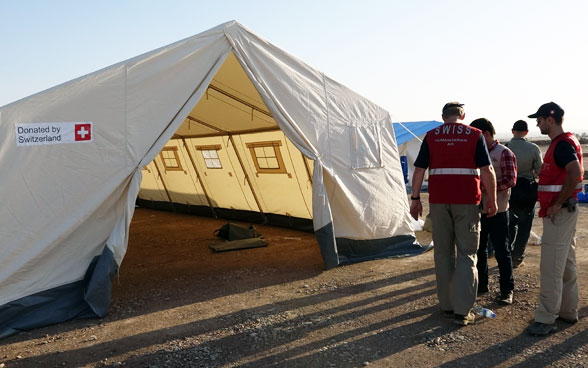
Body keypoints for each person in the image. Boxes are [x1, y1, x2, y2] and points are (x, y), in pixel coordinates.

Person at [410, 102, 497, 326]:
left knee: (442, 254)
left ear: (443, 116)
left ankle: (447, 306)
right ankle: (462, 310)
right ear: (463, 116)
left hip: (439, 202)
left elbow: (419, 170)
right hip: (467, 203)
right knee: (467, 255)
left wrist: (416, 199)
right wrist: (493, 200)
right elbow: (487, 170)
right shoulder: (474, 135)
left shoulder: (431, 136)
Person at [526, 102, 584, 336]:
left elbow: (575, 173)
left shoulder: (561, 145)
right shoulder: (565, 142)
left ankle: (546, 318)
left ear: (550, 119)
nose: (537, 124)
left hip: (559, 213)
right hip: (564, 211)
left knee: (551, 265)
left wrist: (558, 202)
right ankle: (568, 311)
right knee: (566, 263)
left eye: (538, 120)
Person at [470, 118, 517, 305]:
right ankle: (482, 285)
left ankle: (507, 290)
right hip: (478, 209)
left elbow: (511, 179)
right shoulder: (475, 153)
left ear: (486, 134)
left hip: (499, 210)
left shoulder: (504, 153)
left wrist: (489, 189)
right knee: (479, 250)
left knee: (501, 251)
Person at [506, 120, 543, 268]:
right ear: (527, 132)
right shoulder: (533, 148)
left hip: (510, 190)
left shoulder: (505, 147)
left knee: (509, 224)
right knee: (525, 225)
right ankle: (518, 256)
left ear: (512, 130)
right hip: (527, 189)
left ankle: (507, 253)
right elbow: (540, 171)